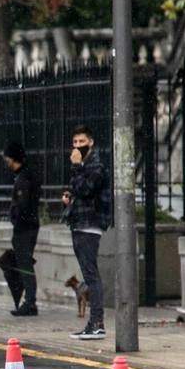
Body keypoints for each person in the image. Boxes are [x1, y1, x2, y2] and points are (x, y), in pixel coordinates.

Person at [61, 125, 110, 339]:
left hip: (90, 224)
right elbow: (79, 191)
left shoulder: (96, 165)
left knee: (91, 275)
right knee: (88, 274)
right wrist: (70, 198)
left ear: (91, 142)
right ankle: (93, 324)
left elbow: (86, 188)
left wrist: (77, 167)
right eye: (75, 142)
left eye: (82, 142)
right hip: (80, 222)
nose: (78, 146)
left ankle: (97, 323)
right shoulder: (84, 165)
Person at [3, 141, 42, 316]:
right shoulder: (26, 175)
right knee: (24, 264)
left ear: (12, 158)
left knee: (25, 265)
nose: (5, 161)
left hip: (24, 229)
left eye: (7, 157)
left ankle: (30, 302)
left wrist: (16, 222)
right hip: (28, 227)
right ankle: (29, 300)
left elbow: (23, 205)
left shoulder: (23, 178)